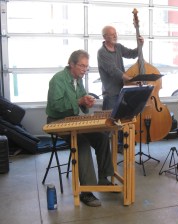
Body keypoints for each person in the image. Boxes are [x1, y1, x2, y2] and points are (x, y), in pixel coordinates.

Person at [46, 50, 114, 207]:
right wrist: (78, 101)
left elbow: (82, 100)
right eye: (82, 66)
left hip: (74, 120)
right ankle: (86, 192)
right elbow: (56, 105)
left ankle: (103, 179)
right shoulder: (58, 79)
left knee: (102, 137)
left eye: (87, 66)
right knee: (81, 143)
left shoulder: (79, 79)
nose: (84, 69)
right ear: (71, 64)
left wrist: (86, 102)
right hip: (57, 121)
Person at [97, 25, 144, 152]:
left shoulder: (118, 47)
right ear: (104, 37)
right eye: (111, 34)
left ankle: (120, 145)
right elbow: (113, 70)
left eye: (115, 33)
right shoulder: (102, 52)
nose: (114, 36)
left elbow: (132, 54)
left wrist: (140, 45)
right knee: (109, 121)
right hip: (110, 92)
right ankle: (103, 148)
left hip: (122, 90)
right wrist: (128, 78)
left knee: (121, 118)